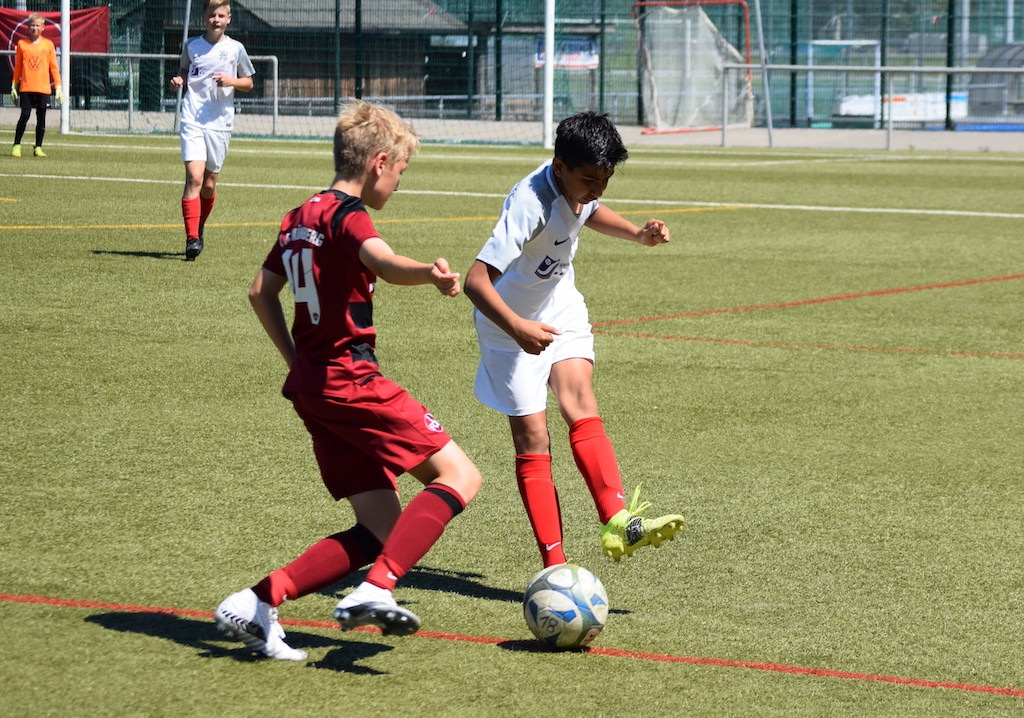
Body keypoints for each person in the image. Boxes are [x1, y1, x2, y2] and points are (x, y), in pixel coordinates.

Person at [214, 101, 482, 661]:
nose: (400, 182)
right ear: (379, 162)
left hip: (312, 386)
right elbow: (381, 261)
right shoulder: (348, 216)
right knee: (461, 475)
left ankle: (258, 600)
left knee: (381, 528)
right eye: (401, 170)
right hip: (352, 380)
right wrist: (429, 274)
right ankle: (377, 588)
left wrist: (297, 360)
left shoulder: (297, 217)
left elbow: (260, 292)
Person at [463, 110, 684, 568]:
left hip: (558, 303)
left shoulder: (580, 187)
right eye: (589, 179)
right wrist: (518, 328)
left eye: (606, 179)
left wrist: (638, 235)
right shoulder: (530, 205)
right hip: (507, 321)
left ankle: (618, 521)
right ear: (560, 167)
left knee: (579, 396)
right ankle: (555, 565)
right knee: (533, 437)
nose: (598, 189)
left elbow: (590, 212)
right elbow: (476, 282)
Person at [169, 0, 254, 261]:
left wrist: (231, 81)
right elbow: (185, 69)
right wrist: (180, 79)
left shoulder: (236, 48)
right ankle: (192, 238)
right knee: (194, 178)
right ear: (203, 17)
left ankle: (199, 225)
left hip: (220, 122)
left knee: (208, 184)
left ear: (229, 18)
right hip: (192, 117)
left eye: (220, 15)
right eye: (211, 15)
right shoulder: (191, 45)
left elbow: (249, 82)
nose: (216, 19)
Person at [10, 14, 63, 158]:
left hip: (43, 88)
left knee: (41, 118)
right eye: (32, 25)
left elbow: (54, 67)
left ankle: (38, 147)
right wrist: (14, 85)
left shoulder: (48, 45)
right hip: (26, 88)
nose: (35, 28)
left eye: (38, 25)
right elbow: (18, 67)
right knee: (25, 115)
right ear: (28, 27)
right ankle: (16, 145)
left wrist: (58, 87)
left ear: (43, 27)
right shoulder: (22, 44)